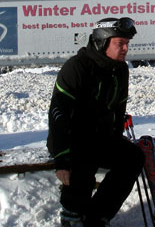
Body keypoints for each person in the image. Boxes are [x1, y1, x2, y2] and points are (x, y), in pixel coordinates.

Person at [47, 17, 144, 227]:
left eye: (127, 44)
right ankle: (72, 215)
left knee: (133, 158)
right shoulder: (76, 67)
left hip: (101, 137)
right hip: (70, 139)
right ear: (102, 41)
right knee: (85, 156)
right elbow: (58, 114)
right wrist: (61, 159)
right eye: (120, 43)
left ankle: (97, 216)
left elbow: (119, 109)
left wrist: (116, 139)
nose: (126, 48)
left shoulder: (120, 70)